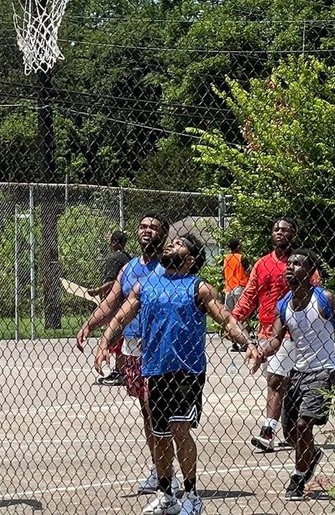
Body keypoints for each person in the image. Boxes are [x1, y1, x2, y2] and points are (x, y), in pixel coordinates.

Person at [97, 233, 252, 515]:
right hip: (154, 369)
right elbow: (121, 317)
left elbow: (227, 319)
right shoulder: (146, 286)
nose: (171, 245)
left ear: (190, 259)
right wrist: (105, 342)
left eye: (179, 244)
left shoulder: (199, 288)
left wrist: (247, 343)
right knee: (159, 436)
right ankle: (166, 494)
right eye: (172, 242)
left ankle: (192, 494)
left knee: (180, 429)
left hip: (187, 372)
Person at [249, 248, 335, 500]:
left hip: (323, 370)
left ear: (310, 272)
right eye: (288, 263)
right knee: (290, 433)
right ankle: (311, 456)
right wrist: (260, 351)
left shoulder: (324, 299)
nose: (290, 267)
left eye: (297, 264)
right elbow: (276, 340)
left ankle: (299, 477)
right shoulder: (284, 305)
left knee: (303, 426)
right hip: (298, 371)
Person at [76, 215, 169, 494]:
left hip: (161, 345)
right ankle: (158, 469)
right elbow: (112, 301)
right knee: (146, 410)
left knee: (159, 409)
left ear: (163, 234)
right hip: (133, 345)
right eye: (143, 226)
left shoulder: (168, 267)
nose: (147, 231)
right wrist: (90, 324)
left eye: (153, 227)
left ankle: (169, 473)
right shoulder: (129, 268)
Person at [231, 217, 321, 452]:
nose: (280, 233)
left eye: (285, 230)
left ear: (294, 234)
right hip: (266, 332)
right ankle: (291, 431)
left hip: (295, 333)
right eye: (276, 229)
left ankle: (268, 431)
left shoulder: (302, 264)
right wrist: (236, 315)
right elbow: (251, 294)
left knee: (276, 381)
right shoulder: (262, 264)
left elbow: (316, 291)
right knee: (282, 383)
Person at [91, 230, 133, 385]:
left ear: (114, 242)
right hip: (129, 302)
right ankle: (124, 370)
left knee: (116, 336)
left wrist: (99, 292)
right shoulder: (129, 258)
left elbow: (112, 283)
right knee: (123, 335)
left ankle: (119, 372)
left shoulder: (114, 258)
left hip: (117, 303)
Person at [222, 239, 249, 351]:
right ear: (238, 246)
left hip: (229, 289)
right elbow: (248, 272)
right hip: (240, 287)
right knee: (242, 316)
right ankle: (244, 343)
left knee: (231, 318)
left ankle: (234, 343)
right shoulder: (241, 258)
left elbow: (223, 273)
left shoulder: (226, 258)